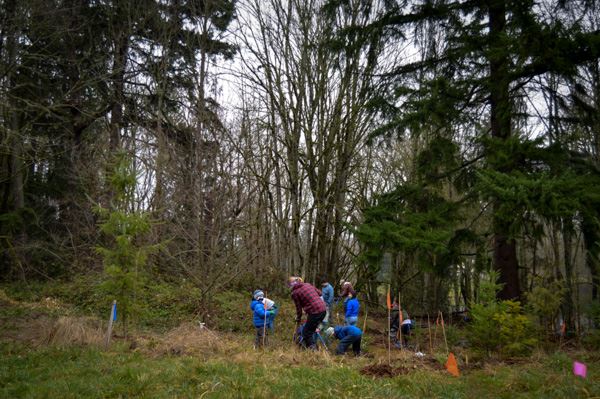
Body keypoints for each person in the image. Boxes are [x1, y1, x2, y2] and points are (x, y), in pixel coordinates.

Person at [288, 276, 326, 349]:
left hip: (315, 312)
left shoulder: (295, 293)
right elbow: (320, 293)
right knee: (311, 330)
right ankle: (313, 346)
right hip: (323, 310)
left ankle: (313, 351)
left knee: (306, 332)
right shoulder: (307, 284)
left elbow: (298, 308)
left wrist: (298, 318)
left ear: (291, 285)